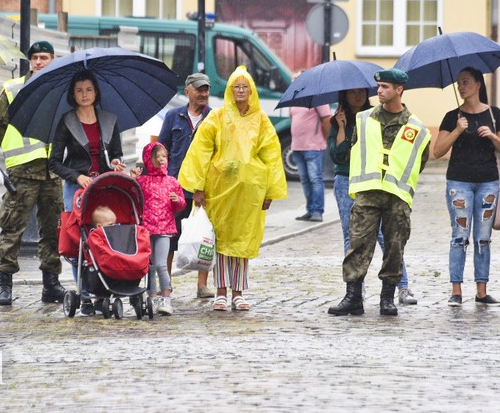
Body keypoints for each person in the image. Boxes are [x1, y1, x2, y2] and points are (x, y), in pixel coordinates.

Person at [178, 66, 287, 312]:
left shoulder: (261, 120)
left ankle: (239, 292)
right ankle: (221, 292)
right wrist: (197, 187)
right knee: (222, 242)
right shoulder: (217, 117)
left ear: (251, 91)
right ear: (229, 89)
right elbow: (200, 151)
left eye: (244, 87)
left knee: (242, 242)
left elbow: (272, 155)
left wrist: (270, 190)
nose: (239, 91)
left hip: (250, 192)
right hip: (220, 190)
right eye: (235, 86)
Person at [328, 69, 430, 317]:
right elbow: (353, 151)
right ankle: (353, 297)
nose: (379, 91)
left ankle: (387, 298)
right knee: (358, 245)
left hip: (397, 196)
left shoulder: (417, 128)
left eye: (385, 86)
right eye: (379, 86)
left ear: (399, 90)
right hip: (367, 193)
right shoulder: (363, 119)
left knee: (395, 246)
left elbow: (420, 160)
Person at [0, 41, 65, 306]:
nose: (38, 62)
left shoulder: (61, 91)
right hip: (22, 170)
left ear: (53, 60)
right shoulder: (13, 89)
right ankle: (4, 285)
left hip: (51, 172)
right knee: (12, 227)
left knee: (52, 230)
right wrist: (12, 150)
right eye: (34, 58)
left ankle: (51, 283)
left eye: (44, 57)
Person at [49, 69, 124, 315]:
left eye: (89, 90)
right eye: (79, 90)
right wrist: (76, 175)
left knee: (103, 237)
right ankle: (84, 295)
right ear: (73, 94)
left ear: (96, 92)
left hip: (102, 187)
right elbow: (54, 162)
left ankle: (104, 287)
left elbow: (116, 154)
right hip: (76, 188)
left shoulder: (109, 120)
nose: (84, 94)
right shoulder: (67, 121)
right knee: (78, 241)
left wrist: (115, 163)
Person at [432, 67, 500, 308]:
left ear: (478, 84)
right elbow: (437, 151)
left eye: (465, 82)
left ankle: (482, 291)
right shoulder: (452, 116)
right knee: (459, 237)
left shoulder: (494, 114)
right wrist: (458, 130)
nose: (461, 87)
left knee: (483, 237)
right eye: (459, 83)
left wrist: (493, 136)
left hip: (488, 181)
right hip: (459, 183)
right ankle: (456, 291)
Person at [158, 72, 213, 298]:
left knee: (204, 237)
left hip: (204, 187)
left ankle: (202, 286)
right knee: (169, 237)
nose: (203, 94)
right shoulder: (173, 116)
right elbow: (161, 150)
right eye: (199, 89)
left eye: (206, 90)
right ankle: (166, 285)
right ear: (187, 91)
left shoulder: (214, 118)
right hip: (175, 187)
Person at [133, 142, 185, 315]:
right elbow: (132, 198)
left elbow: (180, 206)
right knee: (150, 265)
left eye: (164, 156)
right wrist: (133, 179)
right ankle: (152, 297)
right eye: (157, 157)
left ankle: (166, 298)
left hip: (164, 229)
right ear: (149, 159)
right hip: (147, 228)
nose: (162, 160)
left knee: (162, 264)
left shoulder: (171, 182)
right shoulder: (142, 182)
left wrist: (177, 200)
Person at [289, 81, 331, 222]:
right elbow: (293, 119)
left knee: (315, 179)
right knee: (305, 181)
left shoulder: (316, 98)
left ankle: (318, 211)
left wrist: (325, 139)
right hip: (297, 147)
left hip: (313, 147)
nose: (293, 82)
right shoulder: (294, 99)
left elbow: (326, 119)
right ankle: (310, 210)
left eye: (297, 79)